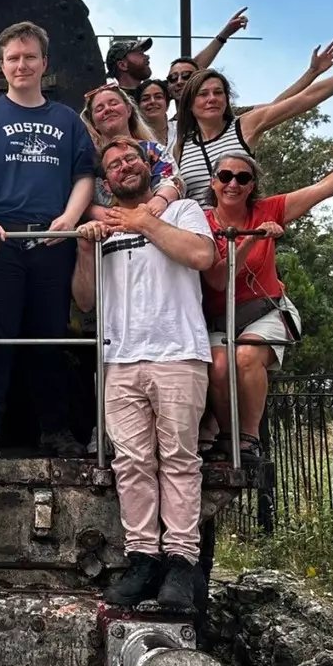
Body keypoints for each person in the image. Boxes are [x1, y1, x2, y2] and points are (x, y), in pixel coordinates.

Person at [70, 138, 217, 611]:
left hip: (178, 351)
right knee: (131, 463)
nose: (123, 167)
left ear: (147, 166)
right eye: (113, 165)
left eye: (130, 159)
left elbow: (201, 257)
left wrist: (144, 221)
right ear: (105, 181)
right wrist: (86, 249)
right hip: (120, 357)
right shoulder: (102, 225)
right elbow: (86, 301)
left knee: (178, 458)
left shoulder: (184, 210)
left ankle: (181, 564)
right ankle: (142, 558)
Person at [200, 132, 333, 461]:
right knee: (220, 365)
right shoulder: (202, 222)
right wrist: (254, 240)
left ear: (252, 186)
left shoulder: (267, 210)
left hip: (265, 311)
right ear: (213, 183)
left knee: (245, 357)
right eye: (225, 176)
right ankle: (228, 438)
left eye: (243, 178)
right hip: (219, 318)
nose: (233, 184)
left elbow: (323, 188)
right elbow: (216, 279)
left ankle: (249, 438)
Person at [0, 20, 97, 458]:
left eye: (30, 56)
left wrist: (68, 219)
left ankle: (54, 430)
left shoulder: (66, 120)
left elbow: (84, 176)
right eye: (13, 58)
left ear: (44, 63)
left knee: (48, 340)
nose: (22, 65)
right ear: (2, 65)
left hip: (50, 243)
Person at [172, 29, 333, 206]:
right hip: (197, 242)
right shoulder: (181, 144)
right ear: (189, 104)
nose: (212, 99)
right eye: (203, 94)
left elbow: (307, 98)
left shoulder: (244, 126)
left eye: (218, 92)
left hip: (240, 233)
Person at [79, 83, 181, 211]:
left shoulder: (153, 150)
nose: (107, 109)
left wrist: (160, 199)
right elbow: (76, 197)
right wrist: (101, 215)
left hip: (156, 219)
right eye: (99, 109)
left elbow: (172, 181)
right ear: (93, 123)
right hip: (108, 227)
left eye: (113, 103)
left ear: (129, 110)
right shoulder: (88, 161)